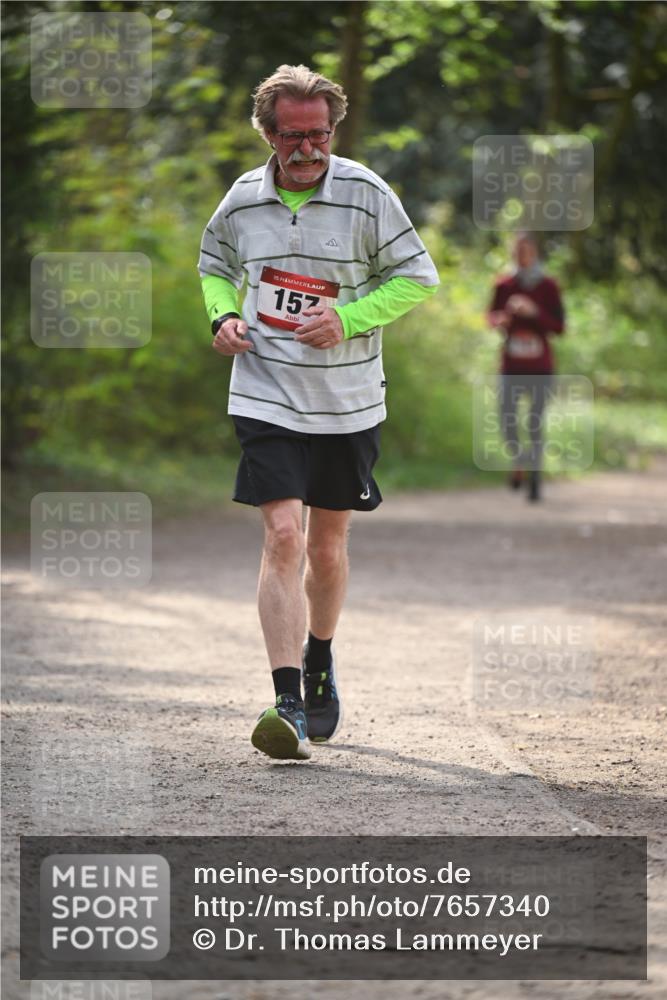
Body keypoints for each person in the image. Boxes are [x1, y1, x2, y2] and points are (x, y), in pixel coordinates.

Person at [198, 65, 439, 761]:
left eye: (319, 134)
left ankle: (319, 658)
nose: (308, 148)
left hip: (346, 400)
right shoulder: (242, 200)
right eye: (292, 136)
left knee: (327, 548)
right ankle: (286, 704)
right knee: (281, 536)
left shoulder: (365, 193)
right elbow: (213, 262)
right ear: (266, 134)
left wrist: (351, 318)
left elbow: (416, 277)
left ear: (332, 130)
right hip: (266, 390)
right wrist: (222, 314)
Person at [487, 234, 565, 502]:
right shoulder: (504, 284)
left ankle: (535, 479)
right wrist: (503, 319)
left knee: (535, 422)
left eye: (527, 252)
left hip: (540, 367)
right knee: (507, 418)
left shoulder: (548, 286)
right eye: (519, 252)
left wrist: (534, 313)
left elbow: (559, 327)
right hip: (511, 366)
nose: (523, 256)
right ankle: (519, 460)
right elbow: (492, 317)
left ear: (535, 254)